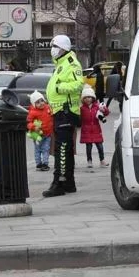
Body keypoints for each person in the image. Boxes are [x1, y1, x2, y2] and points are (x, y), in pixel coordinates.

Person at [43, 35, 84, 197]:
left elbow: (79, 84)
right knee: (65, 149)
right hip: (59, 111)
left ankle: (58, 183)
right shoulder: (61, 64)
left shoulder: (71, 64)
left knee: (61, 148)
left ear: (63, 49)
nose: (52, 50)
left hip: (65, 112)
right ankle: (69, 182)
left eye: (55, 47)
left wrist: (59, 88)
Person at [80, 86, 110, 168]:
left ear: (93, 98)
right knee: (88, 147)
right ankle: (89, 161)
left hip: (96, 130)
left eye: (89, 97)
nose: (88, 99)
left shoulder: (97, 107)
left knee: (100, 146)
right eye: (85, 97)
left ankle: (102, 160)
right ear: (83, 99)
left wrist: (104, 109)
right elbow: (79, 118)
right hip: (86, 130)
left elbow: (106, 113)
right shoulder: (82, 109)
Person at [27, 91, 54, 171]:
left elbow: (52, 117)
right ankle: (38, 164)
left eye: (42, 100)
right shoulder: (32, 112)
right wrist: (33, 127)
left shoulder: (48, 108)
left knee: (46, 149)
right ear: (34, 104)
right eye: (38, 102)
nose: (41, 103)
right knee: (38, 149)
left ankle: (45, 163)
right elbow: (29, 123)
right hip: (37, 134)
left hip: (47, 134)